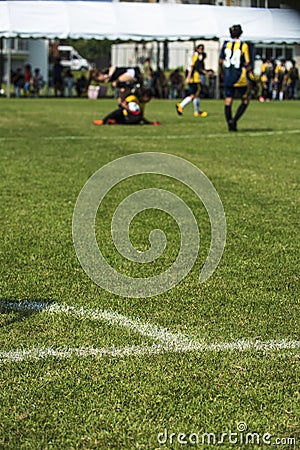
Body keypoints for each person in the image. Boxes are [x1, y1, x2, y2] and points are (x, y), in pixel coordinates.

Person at [219, 24, 254, 132]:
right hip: (239, 77)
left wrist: (222, 73)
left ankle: (230, 123)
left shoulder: (225, 44)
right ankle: (234, 120)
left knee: (228, 101)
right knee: (245, 100)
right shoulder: (244, 45)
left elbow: (220, 61)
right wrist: (251, 74)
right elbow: (247, 62)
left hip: (228, 76)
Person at [93, 87, 161, 126]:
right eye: (149, 98)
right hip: (124, 114)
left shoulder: (143, 104)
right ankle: (103, 121)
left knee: (138, 118)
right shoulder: (133, 98)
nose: (149, 100)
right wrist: (129, 110)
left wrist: (150, 123)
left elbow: (141, 116)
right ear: (144, 96)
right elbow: (123, 104)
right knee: (120, 110)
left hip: (130, 118)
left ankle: (115, 122)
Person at [175, 44, 208, 118]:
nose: (201, 50)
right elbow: (192, 67)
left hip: (195, 77)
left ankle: (196, 111)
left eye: (202, 48)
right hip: (194, 78)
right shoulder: (195, 56)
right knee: (194, 94)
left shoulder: (197, 56)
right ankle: (181, 105)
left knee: (196, 95)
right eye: (200, 48)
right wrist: (189, 77)